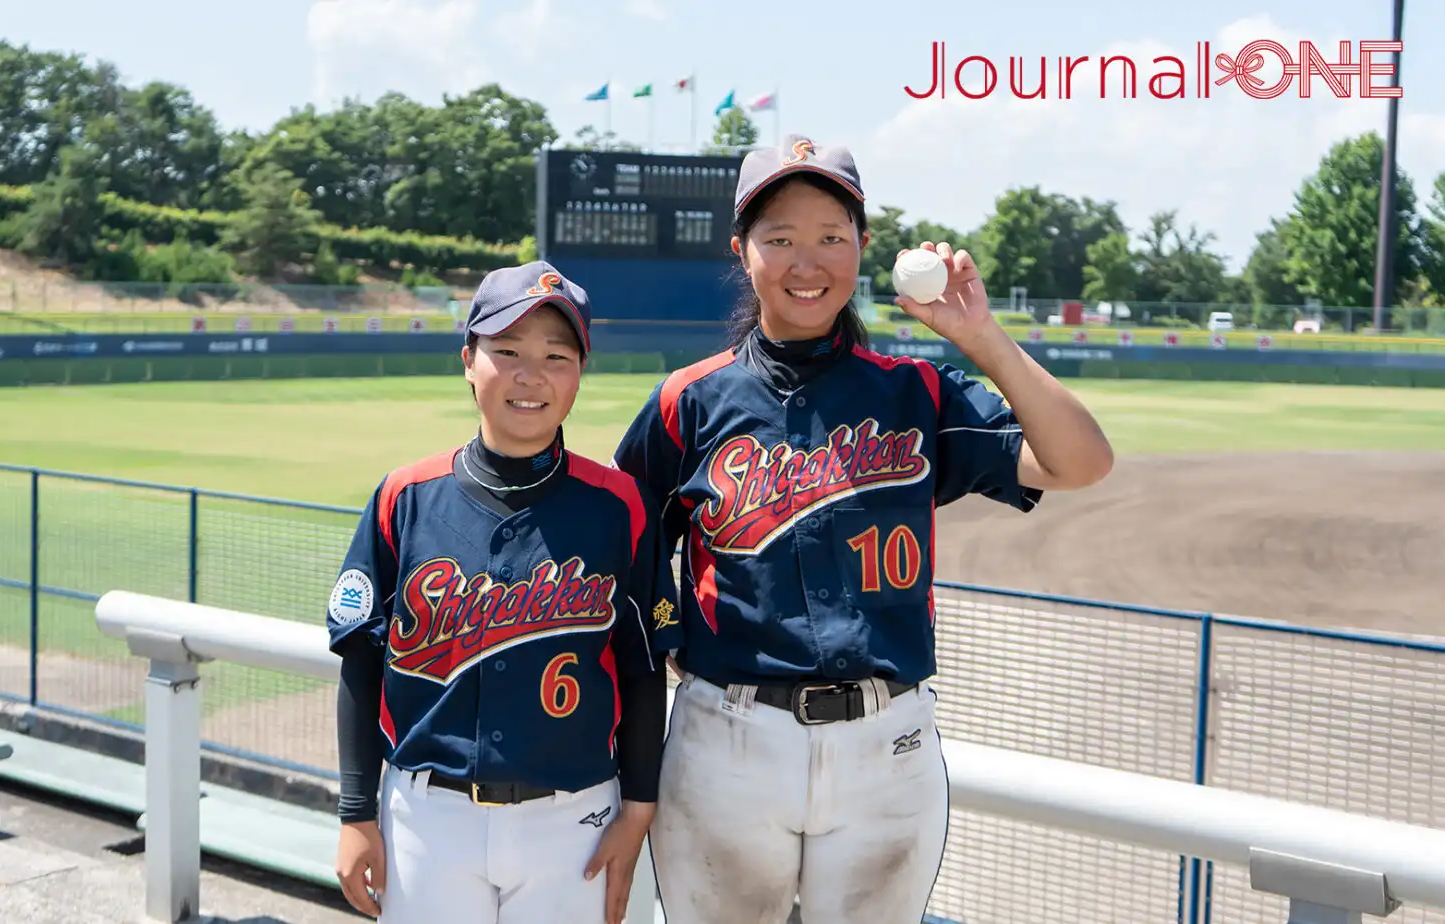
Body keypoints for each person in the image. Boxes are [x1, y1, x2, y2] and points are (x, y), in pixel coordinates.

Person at [612, 135, 1114, 924]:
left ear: (863, 248)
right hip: (727, 738)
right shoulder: (689, 403)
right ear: (741, 251)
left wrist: (981, 338)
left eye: (830, 238)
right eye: (779, 239)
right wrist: (670, 640)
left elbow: (1080, 462)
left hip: (889, 746)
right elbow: (628, 556)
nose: (805, 263)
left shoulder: (917, 393)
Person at [327, 260, 683, 924]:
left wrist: (638, 809)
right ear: (469, 360)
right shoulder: (404, 498)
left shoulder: (619, 505)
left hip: (575, 820)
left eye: (556, 354)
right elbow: (360, 660)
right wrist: (355, 812)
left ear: (580, 370)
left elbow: (641, 671)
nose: (530, 375)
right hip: (428, 818)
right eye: (507, 351)